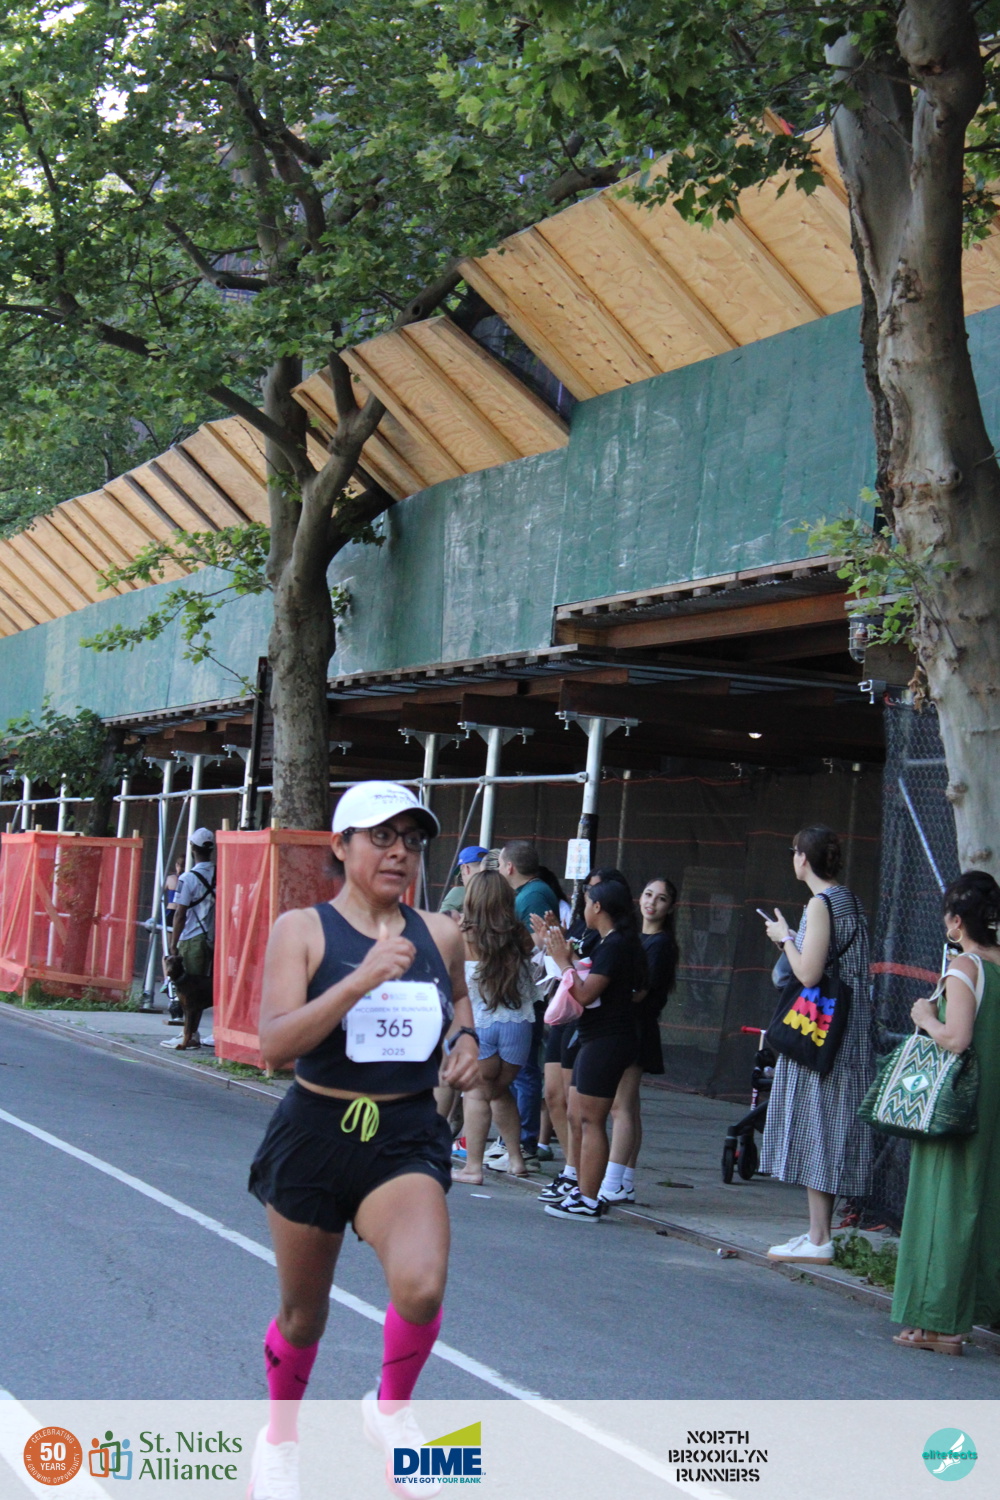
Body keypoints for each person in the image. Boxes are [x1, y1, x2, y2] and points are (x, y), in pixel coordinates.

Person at [246, 782, 479, 1500]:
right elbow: (273, 1044)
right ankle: (280, 1441)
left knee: (422, 1284)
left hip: (403, 1134)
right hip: (316, 1132)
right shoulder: (303, 930)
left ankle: (391, 1410)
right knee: (303, 1316)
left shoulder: (440, 932)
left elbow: (458, 999)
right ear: (341, 846)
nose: (398, 852)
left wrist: (466, 1041)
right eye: (380, 836)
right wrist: (360, 980)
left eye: (411, 839)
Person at [891, 872, 1000, 1355]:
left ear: (956, 922)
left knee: (943, 1205)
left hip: (958, 1106)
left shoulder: (964, 967)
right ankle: (978, 1311)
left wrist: (924, 1018)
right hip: (995, 1104)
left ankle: (940, 1324)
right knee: (985, 1205)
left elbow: (956, 1039)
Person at [759, 824, 873, 1264]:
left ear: (803, 858)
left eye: (794, 851)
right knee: (828, 1121)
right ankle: (817, 1233)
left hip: (823, 1030)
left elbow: (808, 973)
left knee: (816, 1120)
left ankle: (819, 1236)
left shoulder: (819, 904)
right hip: (849, 1025)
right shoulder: (848, 899)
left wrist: (784, 938)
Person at [540, 879, 647, 1221]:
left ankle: (588, 1198)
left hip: (608, 1039)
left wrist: (564, 963)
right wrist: (561, 949)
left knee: (591, 1119)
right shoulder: (607, 942)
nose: (584, 909)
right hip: (594, 1037)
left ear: (598, 907)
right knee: (579, 1115)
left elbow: (585, 994)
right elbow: (587, 974)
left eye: (587, 903)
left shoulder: (616, 945)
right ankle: (581, 1188)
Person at [452, 870, 537, 1185]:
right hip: (518, 1026)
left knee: (475, 1094)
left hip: (481, 1025)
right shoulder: (519, 935)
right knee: (500, 1092)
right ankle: (516, 1159)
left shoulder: (462, 937)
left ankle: (472, 1168)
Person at [599, 876, 679, 1205]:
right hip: (624, 1025)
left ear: (670, 907)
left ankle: (614, 1181)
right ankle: (625, 1180)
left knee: (621, 1107)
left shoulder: (661, 944)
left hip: (636, 1028)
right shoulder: (633, 937)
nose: (652, 903)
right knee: (628, 1107)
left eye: (661, 898)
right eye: (648, 894)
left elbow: (640, 992)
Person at [497, 840, 558, 1168]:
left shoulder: (531, 896)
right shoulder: (531, 893)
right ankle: (515, 1141)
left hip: (528, 991)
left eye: (499, 864)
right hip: (523, 990)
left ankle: (524, 1143)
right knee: (517, 1067)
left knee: (523, 1068)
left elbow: (536, 944)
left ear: (509, 867)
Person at [165, 830, 216, 1046]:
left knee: (189, 990)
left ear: (193, 848)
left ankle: (190, 1034)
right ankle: (195, 1033)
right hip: (215, 938)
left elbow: (180, 914)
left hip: (192, 937)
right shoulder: (220, 874)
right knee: (207, 987)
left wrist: (173, 944)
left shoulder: (187, 879)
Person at [439, 845, 489, 921]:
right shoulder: (502, 890)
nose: (462, 879)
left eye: (461, 875)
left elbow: (441, 922)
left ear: (465, 868)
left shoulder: (459, 892)